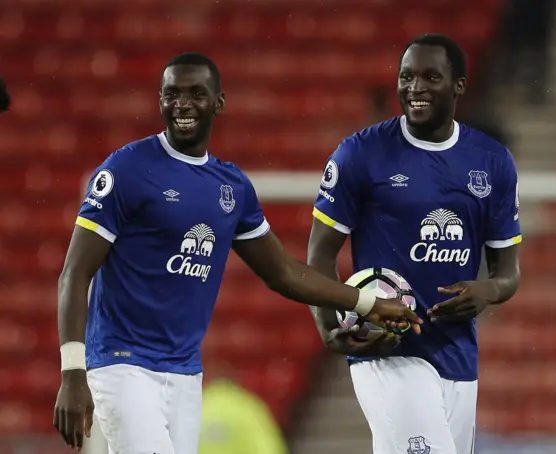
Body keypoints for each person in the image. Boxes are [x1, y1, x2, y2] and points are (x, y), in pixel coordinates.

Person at [52, 52, 421, 454]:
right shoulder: (125, 171)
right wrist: (73, 372)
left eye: (196, 93)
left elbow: (280, 271)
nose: (183, 104)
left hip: (184, 373)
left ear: (218, 101)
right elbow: (74, 274)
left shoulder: (232, 187)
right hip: (122, 364)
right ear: (160, 99)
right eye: (172, 93)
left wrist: (366, 301)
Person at [308, 34, 521, 454]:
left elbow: (508, 273)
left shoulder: (492, 162)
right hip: (388, 350)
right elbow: (319, 255)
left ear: (458, 84)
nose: (414, 87)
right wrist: (330, 328)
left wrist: (489, 290)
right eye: (406, 77)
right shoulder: (361, 154)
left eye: (429, 77)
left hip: (458, 355)